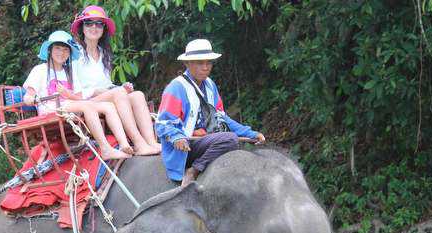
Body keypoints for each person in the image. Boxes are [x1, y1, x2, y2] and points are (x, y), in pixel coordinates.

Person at [156, 39, 266, 185]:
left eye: (209, 63)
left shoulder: (210, 85)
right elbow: (162, 123)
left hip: (206, 141)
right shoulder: (176, 87)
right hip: (185, 146)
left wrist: (249, 133)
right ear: (187, 64)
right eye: (200, 63)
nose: (206, 67)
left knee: (229, 141)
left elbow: (221, 117)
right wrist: (176, 136)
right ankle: (194, 170)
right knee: (229, 139)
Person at [22, 30, 132, 160]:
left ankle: (124, 144)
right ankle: (105, 149)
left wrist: (67, 94)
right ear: (50, 50)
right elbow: (27, 97)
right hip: (51, 108)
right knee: (87, 107)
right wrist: (34, 99)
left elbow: (79, 98)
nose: (61, 53)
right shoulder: (40, 70)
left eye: (65, 50)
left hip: (69, 104)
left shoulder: (69, 73)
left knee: (107, 106)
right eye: (57, 48)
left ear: (69, 53)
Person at [71, 5, 161, 156]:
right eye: (89, 23)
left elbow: (106, 83)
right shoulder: (74, 53)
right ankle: (139, 144)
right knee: (118, 93)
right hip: (84, 100)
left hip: (105, 97)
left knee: (137, 95)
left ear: (104, 28)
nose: (94, 27)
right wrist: (99, 91)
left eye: (99, 24)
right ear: (82, 27)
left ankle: (151, 141)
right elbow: (73, 88)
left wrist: (120, 87)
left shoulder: (103, 52)